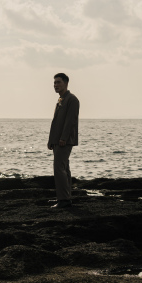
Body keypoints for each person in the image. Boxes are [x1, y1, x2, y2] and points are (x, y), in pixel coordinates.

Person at [47, 73, 80, 209]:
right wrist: (51, 140)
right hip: (57, 140)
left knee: (59, 169)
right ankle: (65, 197)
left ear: (66, 83)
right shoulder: (61, 99)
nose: (55, 85)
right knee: (64, 168)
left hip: (64, 141)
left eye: (58, 82)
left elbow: (70, 121)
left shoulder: (72, 100)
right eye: (54, 83)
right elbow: (56, 122)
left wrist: (63, 138)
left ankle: (64, 200)